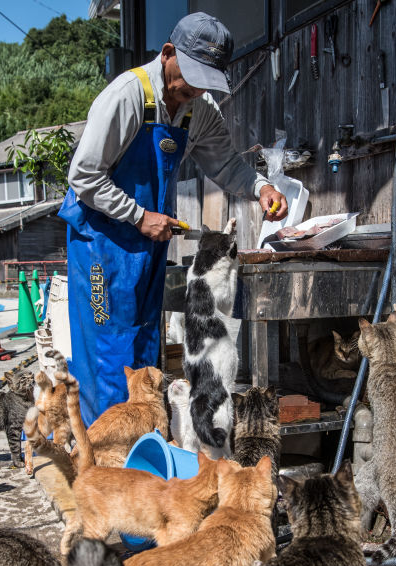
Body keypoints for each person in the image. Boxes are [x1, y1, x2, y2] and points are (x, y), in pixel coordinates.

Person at [60, 12, 288, 425]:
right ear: (167, 54)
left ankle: (144, 455)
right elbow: (83, 176)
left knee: (145, 350)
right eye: (192, 75)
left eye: (207, 80)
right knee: (108, 354)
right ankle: (106, 462)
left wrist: (260, 189)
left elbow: (225, 164)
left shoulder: (197, 109)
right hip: (101, 245)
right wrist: (138, 215)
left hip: (146, 247)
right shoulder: (127, 96)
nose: (197, 88)